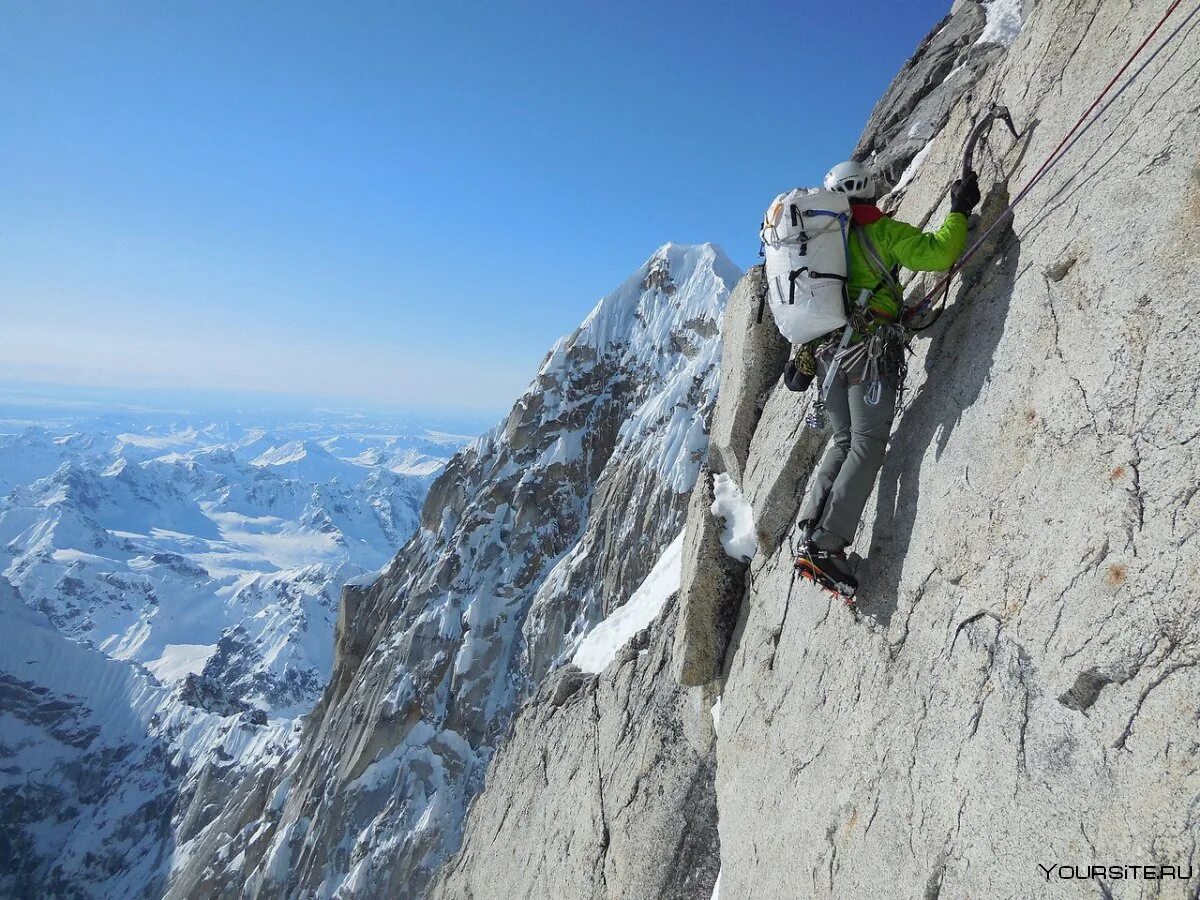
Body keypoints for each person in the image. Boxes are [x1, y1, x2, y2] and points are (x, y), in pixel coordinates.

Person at [794, 159, 981, 597]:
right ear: (869, 191)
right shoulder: (881, 231)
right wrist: (958, 209)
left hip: (827, 356)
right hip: (867, 354)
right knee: (867, 443)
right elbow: (937, 254)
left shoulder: (825, 244)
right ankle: (826, 544)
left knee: (842, 441)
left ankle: (812, 526)